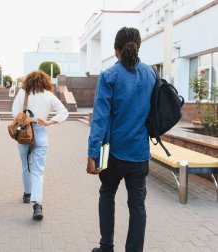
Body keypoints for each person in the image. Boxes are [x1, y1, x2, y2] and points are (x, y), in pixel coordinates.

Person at [86, 27, 156, 252]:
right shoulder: (151, 74)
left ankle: (106, 246)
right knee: (137, 205)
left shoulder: (109, 76)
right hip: (139, 152)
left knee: (107, 194)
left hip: (110, 151)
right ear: (138, 46)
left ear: (115, 48)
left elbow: (100, 119)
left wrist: (92, 153)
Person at [12, 70, 69, 220]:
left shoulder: (23, 93)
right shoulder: (48, 95)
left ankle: (27, 193)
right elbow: (64, 112)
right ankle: (37, 205)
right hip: (41, 131)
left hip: (24, 133)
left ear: (28, 81)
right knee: (38, 170)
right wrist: (49, 121)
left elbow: (14, 113)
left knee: (26, 165)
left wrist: (26, 118)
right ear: (45, 81)